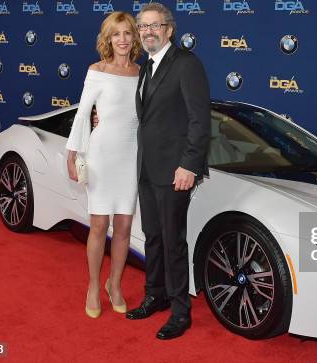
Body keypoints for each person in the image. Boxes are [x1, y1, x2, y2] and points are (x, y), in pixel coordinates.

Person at [124, 3, 210, 340]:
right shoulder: (146, 67)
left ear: (169, 30)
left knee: (173, 241)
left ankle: (180, 312)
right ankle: (155, 295)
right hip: (147, 167)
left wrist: (189, 164)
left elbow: (199, 120)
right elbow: (149, 118)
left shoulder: (186, 64)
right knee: (153, 237)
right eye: (142, 27)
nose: (147, 32)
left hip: (175, 170)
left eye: (154, 26)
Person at [65, 11, 142, 319]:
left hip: (131, 156)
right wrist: (73, 153)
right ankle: (94, 287)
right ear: (108, 39)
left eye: (127, 33)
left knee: (123, 226)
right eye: (116, 34)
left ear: (134, 37)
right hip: (101, 155)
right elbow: (84, 114)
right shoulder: (97, 70)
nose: (122, 39)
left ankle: (116, 284)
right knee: (99, 225)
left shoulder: (142, 72)